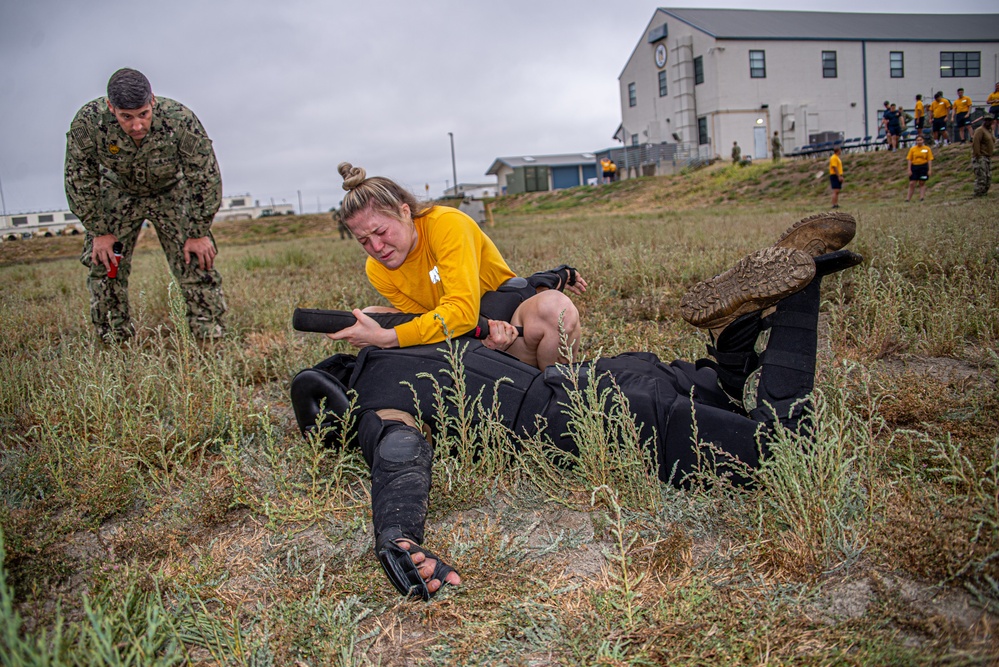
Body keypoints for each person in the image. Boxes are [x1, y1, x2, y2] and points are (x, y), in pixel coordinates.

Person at [290, 212, 861, 599]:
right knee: (716, 388)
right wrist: (541, 294)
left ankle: (797, 294)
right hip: (596, 378)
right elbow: (501, 313)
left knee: (775, 450)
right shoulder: (426, 333)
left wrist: (397, 535)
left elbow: (398, 446)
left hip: (570, 414)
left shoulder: (385, 381)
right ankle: (742, 331)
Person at [327, 162, 586, 370]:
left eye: (381, 231)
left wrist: (387, 338)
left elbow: (461, 312)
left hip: (506, 328)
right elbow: (423, 320)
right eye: (364, 241)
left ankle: (556, 393)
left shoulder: (447, 224)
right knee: (372, 316)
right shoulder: (377, 269)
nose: (377, 247)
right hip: (462, 340)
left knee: (556, 308)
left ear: (405, 212)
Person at [65, 68, 225, 342]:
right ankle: (114, 341)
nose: (137, 125)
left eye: (143, 114)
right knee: (105, 263)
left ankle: (209, 335)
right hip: (118, 191)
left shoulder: (180, 120)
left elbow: (205, 177)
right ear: (110, 107)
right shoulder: (90, 122)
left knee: (197, 259)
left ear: (152, 102)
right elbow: (79, 178)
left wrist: (198, 232)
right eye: (126, 117)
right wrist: (99, 231)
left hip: (171, 192)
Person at [905, 133, 934, 202]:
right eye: (917, 140)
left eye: (920, 140)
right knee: (912, 183)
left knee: (922, 182)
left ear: (923, 140)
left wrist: (929, 169)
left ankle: (922, 197)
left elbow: (929, 159)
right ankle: (908, 199)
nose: (919, 141)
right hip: (914, 167)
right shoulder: (913, 149)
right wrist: (909, 169)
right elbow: (909, 159)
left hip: (923, 167)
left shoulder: (927, 149)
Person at [972, 115, 995, 197]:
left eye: (990, 120)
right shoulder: (979, 130)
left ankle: (984, 193)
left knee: (988, 177)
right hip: (981, 156)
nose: (988, 122)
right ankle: (978, 193)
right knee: (981, 177)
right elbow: (976, 143)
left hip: (987, 156)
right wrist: (977, 155)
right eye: (986, 120)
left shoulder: (990, 130)